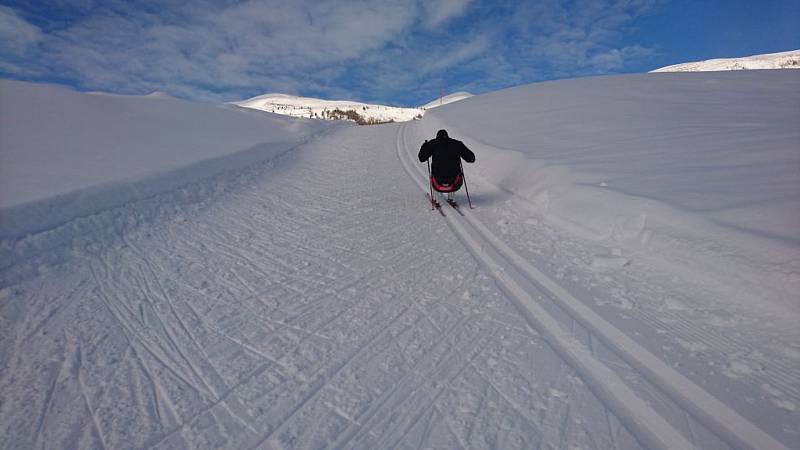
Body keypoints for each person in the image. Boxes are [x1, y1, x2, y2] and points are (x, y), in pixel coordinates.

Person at [418, 129, 475, 195]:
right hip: (455, 183)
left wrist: (424, 146)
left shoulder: (432, 143)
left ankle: (435, 195)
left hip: (437, 183)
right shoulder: (457, 144)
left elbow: (421, 158)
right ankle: (451, 194)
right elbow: (471, 159)